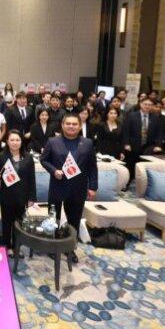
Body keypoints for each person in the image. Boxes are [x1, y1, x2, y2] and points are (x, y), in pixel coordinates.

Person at [40, 113, 98, 264]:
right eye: (68, 123)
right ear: (62, 125)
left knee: (74, 221)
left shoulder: (87, 143)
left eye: (74, 124)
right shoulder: (53, 142)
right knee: (53, 219)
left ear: (79, 126)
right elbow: (44, 160)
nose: (71, 126)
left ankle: (70, 248)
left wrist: (93, 186)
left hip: (78, 188)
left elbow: (92, 166)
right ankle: (52, 247)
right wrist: (54, 170)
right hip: (57, 186)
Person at [0, 130, 36, 257]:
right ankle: (7, 246)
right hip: (6, 196)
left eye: (17, 140)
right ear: (7, 142)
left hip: (22, 196)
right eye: (12, 140)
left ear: (21, 141)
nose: (15, 142)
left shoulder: (28, 157)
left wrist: (32, 197)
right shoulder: (1, 156)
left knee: (19, 224)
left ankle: (16, 246)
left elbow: (31, 179)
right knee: (6, 223)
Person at [122, 98, 162, 176]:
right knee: (131, 168)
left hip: (148, 148)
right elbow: (126, 131)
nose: (147, 106)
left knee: (144, 169)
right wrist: (126, 144)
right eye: (145, 104)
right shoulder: (132, 116)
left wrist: (158, 145)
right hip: (133, 146)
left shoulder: (155, 118)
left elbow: (159, 134)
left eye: (150, 105)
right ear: (140, 104)